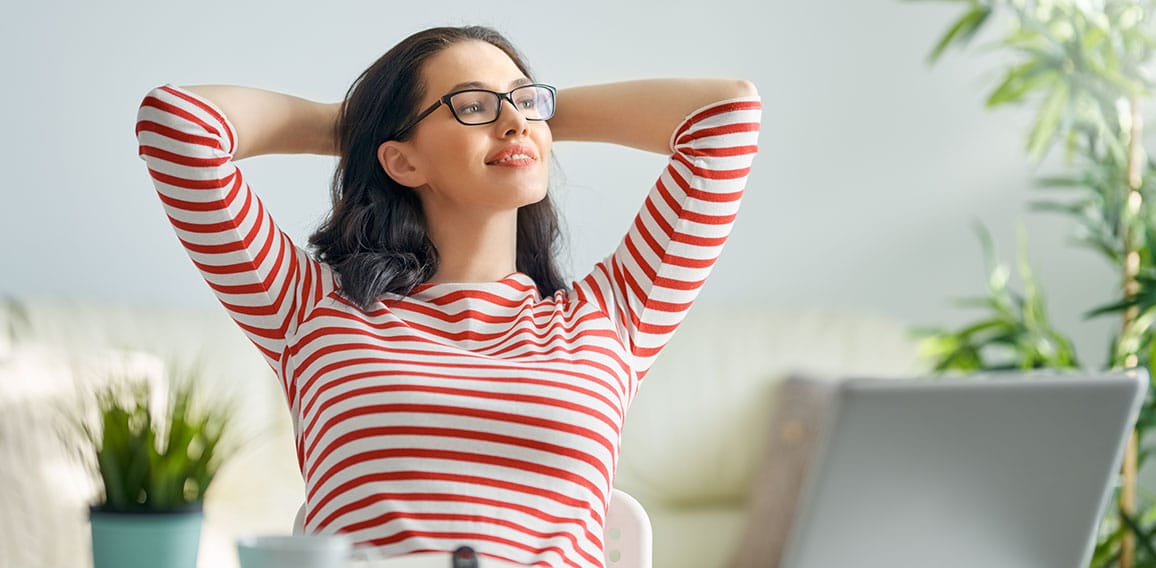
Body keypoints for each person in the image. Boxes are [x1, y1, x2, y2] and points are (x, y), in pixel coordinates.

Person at [136, 25, 760, 568]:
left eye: (524, 102)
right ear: (403, 162)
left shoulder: (611, 319)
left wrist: (532, 117)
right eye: (473, 106)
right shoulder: (311, 312)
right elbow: (176, 125)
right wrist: (356, 126)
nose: (513, 119)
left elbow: (726, 116)